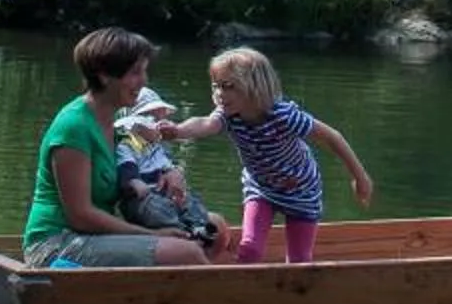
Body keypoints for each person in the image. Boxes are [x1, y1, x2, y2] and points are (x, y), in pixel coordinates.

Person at [151, 45, 372, 265]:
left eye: (228, 86)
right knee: (250, 250)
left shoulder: (283, 115)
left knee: (299, 260)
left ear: (254, 87)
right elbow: (205, 124)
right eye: (216, 86)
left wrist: (360, 178)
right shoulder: (228, 115)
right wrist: (178, 130)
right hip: (261, 188)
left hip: (300, 188)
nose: (219, 93)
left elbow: (333, 137)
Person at [21, 27, 214, 270]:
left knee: (211, 229)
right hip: (56, 245)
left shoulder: (117, 123)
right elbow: (80, 216)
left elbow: (140, 166)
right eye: (135, 73)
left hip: (94, 237)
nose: (143, 81)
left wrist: (170, 172)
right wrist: (151, 235)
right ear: (103, 76)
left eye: (144, 71)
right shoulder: (74, 127)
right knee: (186, 252)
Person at [111, 86, 222, 248]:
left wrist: (173, 173)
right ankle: (181, 229)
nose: (160, 125)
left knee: (190, 199)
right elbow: (127, 168)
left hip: (162, 194)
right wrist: (134, 182)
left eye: (161, 119)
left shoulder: (157, 147)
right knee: (154, 207)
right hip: (141, 198)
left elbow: (168, 167)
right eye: (153, 120)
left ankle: (198, 226)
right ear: (135, 125)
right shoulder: (127, 146)